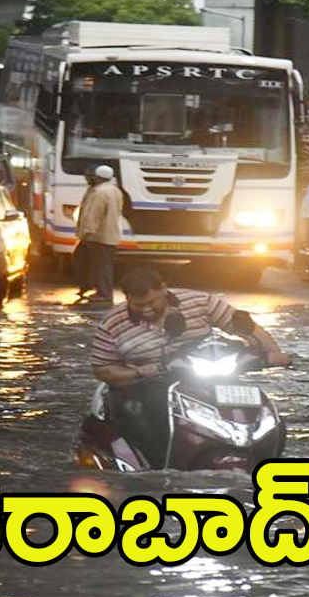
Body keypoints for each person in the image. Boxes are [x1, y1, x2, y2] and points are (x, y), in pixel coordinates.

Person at [89, 267, 289, 468]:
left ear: (164, 290)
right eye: (138, 305)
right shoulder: (112, 324)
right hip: (149, 383)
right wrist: (141, 372)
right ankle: (159, 469)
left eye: (152, 302)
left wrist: (274, 354)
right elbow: (102, 368)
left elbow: (246, 327)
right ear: (127, 298)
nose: (146, 309)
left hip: (207, 375)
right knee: (149, 417)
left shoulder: (199, 302)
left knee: (260, 408)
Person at [76, 165, 123, 303]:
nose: (88, 179)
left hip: (98, 236)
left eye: (91, 176)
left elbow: (94, 214)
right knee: (83, 258)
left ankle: (104, 294)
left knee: (101, 266)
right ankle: (90, 287)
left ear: (98, 177)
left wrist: (87, 232)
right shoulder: (114, 190)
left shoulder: (100, 192)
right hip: (107, 234)